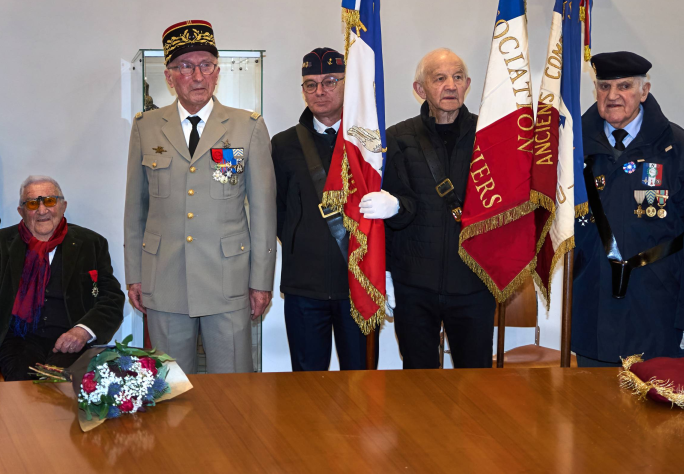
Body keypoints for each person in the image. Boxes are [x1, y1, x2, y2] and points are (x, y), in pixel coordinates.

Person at [123, 20, 276, 375]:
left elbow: (265, 213)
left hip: (228, 280)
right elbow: (135, 209)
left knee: (234, 391)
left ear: (217, 73)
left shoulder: (247, 127)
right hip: (165, 279)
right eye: (185, 67)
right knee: (169, 389)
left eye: (205, 65)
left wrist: (261, 281)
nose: (197, 76)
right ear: (169, 75)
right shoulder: (146, 127)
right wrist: (135, 274)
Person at [571, 52, 684, 366]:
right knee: (591, 411)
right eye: (604, 86)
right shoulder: (573, 147)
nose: (612, 96)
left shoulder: (678, 149)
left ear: (644, 91)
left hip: (659, 312)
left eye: (624, 86)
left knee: (659, 413)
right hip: (594, 310)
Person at [362, 48, 493, 369]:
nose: (450, 85)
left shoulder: (490, 137)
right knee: (418, 387)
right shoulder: (397, 139)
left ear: (468, 84)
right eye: (440, 78)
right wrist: (387, 275)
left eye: (458, 77)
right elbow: (391, 216)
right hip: (414, 286)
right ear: (420, 89)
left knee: (475, 381)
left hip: (473, 283)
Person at [0, 176, 124, 380]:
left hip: (72, 340)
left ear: (63, 206)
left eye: (49, 201)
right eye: (32, 203)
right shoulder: (1, 241)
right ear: (21, 212)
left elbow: (112, 299)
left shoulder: (91, 243)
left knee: (61, 388)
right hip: (18, 340)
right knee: (23, 386)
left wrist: (82, 332)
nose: (41, 210)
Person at [270, 47, 372, 371]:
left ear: (347, 85)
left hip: (358, 283)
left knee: (360, 385)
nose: (320, 91)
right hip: (304, 288)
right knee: (306, 387)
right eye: (310, 84)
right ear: (302, 91)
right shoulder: (283, 144)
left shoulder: (369, 141)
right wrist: (302, 242)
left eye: (330, 81)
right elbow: (277, 209)